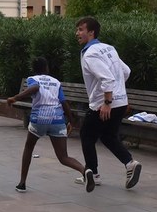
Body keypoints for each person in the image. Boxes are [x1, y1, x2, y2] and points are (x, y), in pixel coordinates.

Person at [7, 57, 95, 193]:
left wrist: (15, 98)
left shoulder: (33, 79)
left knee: (29, 147)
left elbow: (35, 88)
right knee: (63, 157)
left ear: (34, 69)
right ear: (47, 68)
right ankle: (85, 170)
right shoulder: (56, 82)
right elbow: (64, 102)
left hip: (39, 119)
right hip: (57, 120)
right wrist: (71, 121)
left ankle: (22, 183)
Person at [75, 16, 142, 189]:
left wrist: (107, 102)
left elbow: (106, 78)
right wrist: (118, 93)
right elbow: (126, 71)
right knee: (108, 136)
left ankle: (93, 174)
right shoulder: (109, 48)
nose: (77, 33)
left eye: (81, 30)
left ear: (91, 32)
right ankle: (130, 164)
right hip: (120, 102)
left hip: (104, 103)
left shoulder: (90, 53)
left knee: (86, 135)